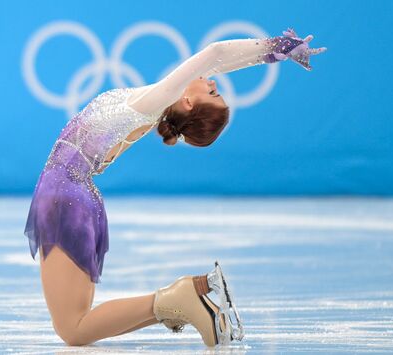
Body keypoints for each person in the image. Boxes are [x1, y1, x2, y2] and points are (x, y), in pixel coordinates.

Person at [23, 28, 326, 347]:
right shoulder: (152, 98)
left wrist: (277, 47)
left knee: (73, 329)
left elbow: (215, 54)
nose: (212, 83)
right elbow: (217, 65)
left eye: (212, 94)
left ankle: (179, 298)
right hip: (75, 195)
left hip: (63, 196)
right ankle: (182, 302)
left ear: (187, 103)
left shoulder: (155, 100)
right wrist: (273, 52)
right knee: (77, 322)